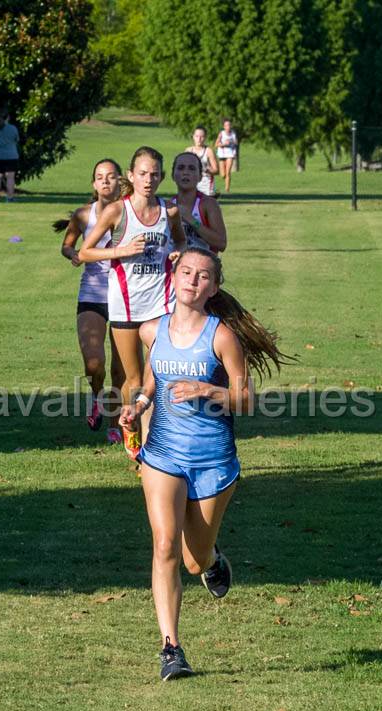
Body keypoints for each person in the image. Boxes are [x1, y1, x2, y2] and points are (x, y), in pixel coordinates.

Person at [119, 245, 290, 680]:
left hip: (213, 459)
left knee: (194, 560)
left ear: (213, 287)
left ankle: (212, 561)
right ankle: (170, 648)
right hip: (162, 454)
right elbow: (153, 380)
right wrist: (138, 406)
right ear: (174, 275)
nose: (193, 281)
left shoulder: (221, 337)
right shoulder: (151, 330)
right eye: (187, 272)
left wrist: (207, 391)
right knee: (164, 545)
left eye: (203, 276)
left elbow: (246, 399)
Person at [78, 146, 186, 456]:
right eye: (142, 174)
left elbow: (179, 239)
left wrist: (178, 251)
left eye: (154, 174)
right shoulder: (117, 211)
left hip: (162, 304)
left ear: (162, 177)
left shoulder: (170, 212)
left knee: (160, 374)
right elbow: (86, 252)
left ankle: (153, 445)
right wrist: (120, 251)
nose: (149, 180)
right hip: (125, 304)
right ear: (131, 176)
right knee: (133, 379)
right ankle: (132, 434)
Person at [55, 158, 127, 438]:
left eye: (111, 176)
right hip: (92, 293)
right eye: (100, 177)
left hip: (125, 297)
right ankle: (97, 397)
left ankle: (114, 425)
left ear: (120, 181)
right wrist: (71, 254)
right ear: (94, 184)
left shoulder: (130, 212)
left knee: (120, 371)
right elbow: (67, 244)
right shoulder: (84, 215)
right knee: (93, 364)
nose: (106, 181)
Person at [171, 151, 227, 253]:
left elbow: (221, 243)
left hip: (204, 266)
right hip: (177, 267)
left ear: (200, 176)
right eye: (181, 168)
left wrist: (191, 219)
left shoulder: (208, 204)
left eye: (191, 168)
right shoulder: (167, 206)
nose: (185, 172)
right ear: (173, 175)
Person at [0, 108, 20, 202]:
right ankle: (10, 197)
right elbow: (17, 139)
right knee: (10, 176)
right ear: (8, 118)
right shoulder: (13, 128)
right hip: (10, 155)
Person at [184, 127, 218, 196]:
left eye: (201, 137)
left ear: (205, 137)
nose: (199, 139)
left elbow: (216, 170)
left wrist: (206, 169)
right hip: (192, 183)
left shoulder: (209, 151)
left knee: (206, 205)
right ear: (193, 137)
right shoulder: (188, 150)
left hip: (206, 184)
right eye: (197, 136)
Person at [214, 119, 239, 193]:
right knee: (223, 175)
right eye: (227, 125)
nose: (228, 126)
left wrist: (232, 142)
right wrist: (223, 144)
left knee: (228, 172)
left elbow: (236, 143)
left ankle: (227, 189)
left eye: (229, 125)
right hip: (222, 154)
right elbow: (216, 144)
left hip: (230, 154)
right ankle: (224, 178)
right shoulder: (221, 134)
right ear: (224, 126)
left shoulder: (233, 134)